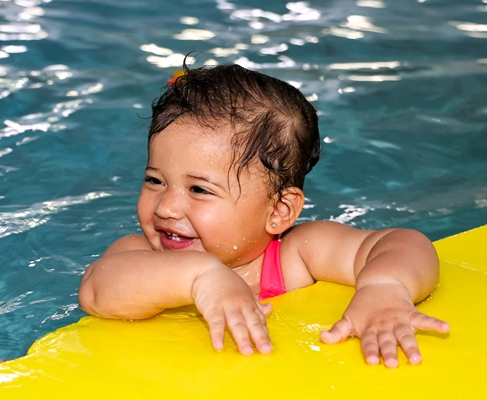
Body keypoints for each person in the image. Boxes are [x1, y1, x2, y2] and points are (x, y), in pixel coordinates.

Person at [78, 63, 450, 368]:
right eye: (155, 180)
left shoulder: (297, 256)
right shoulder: (143, 253)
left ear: (279, 211)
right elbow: (96, 290)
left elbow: (405, 243)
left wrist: (384, 288)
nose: (165, 207)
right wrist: (200, 278)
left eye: (199, 189)